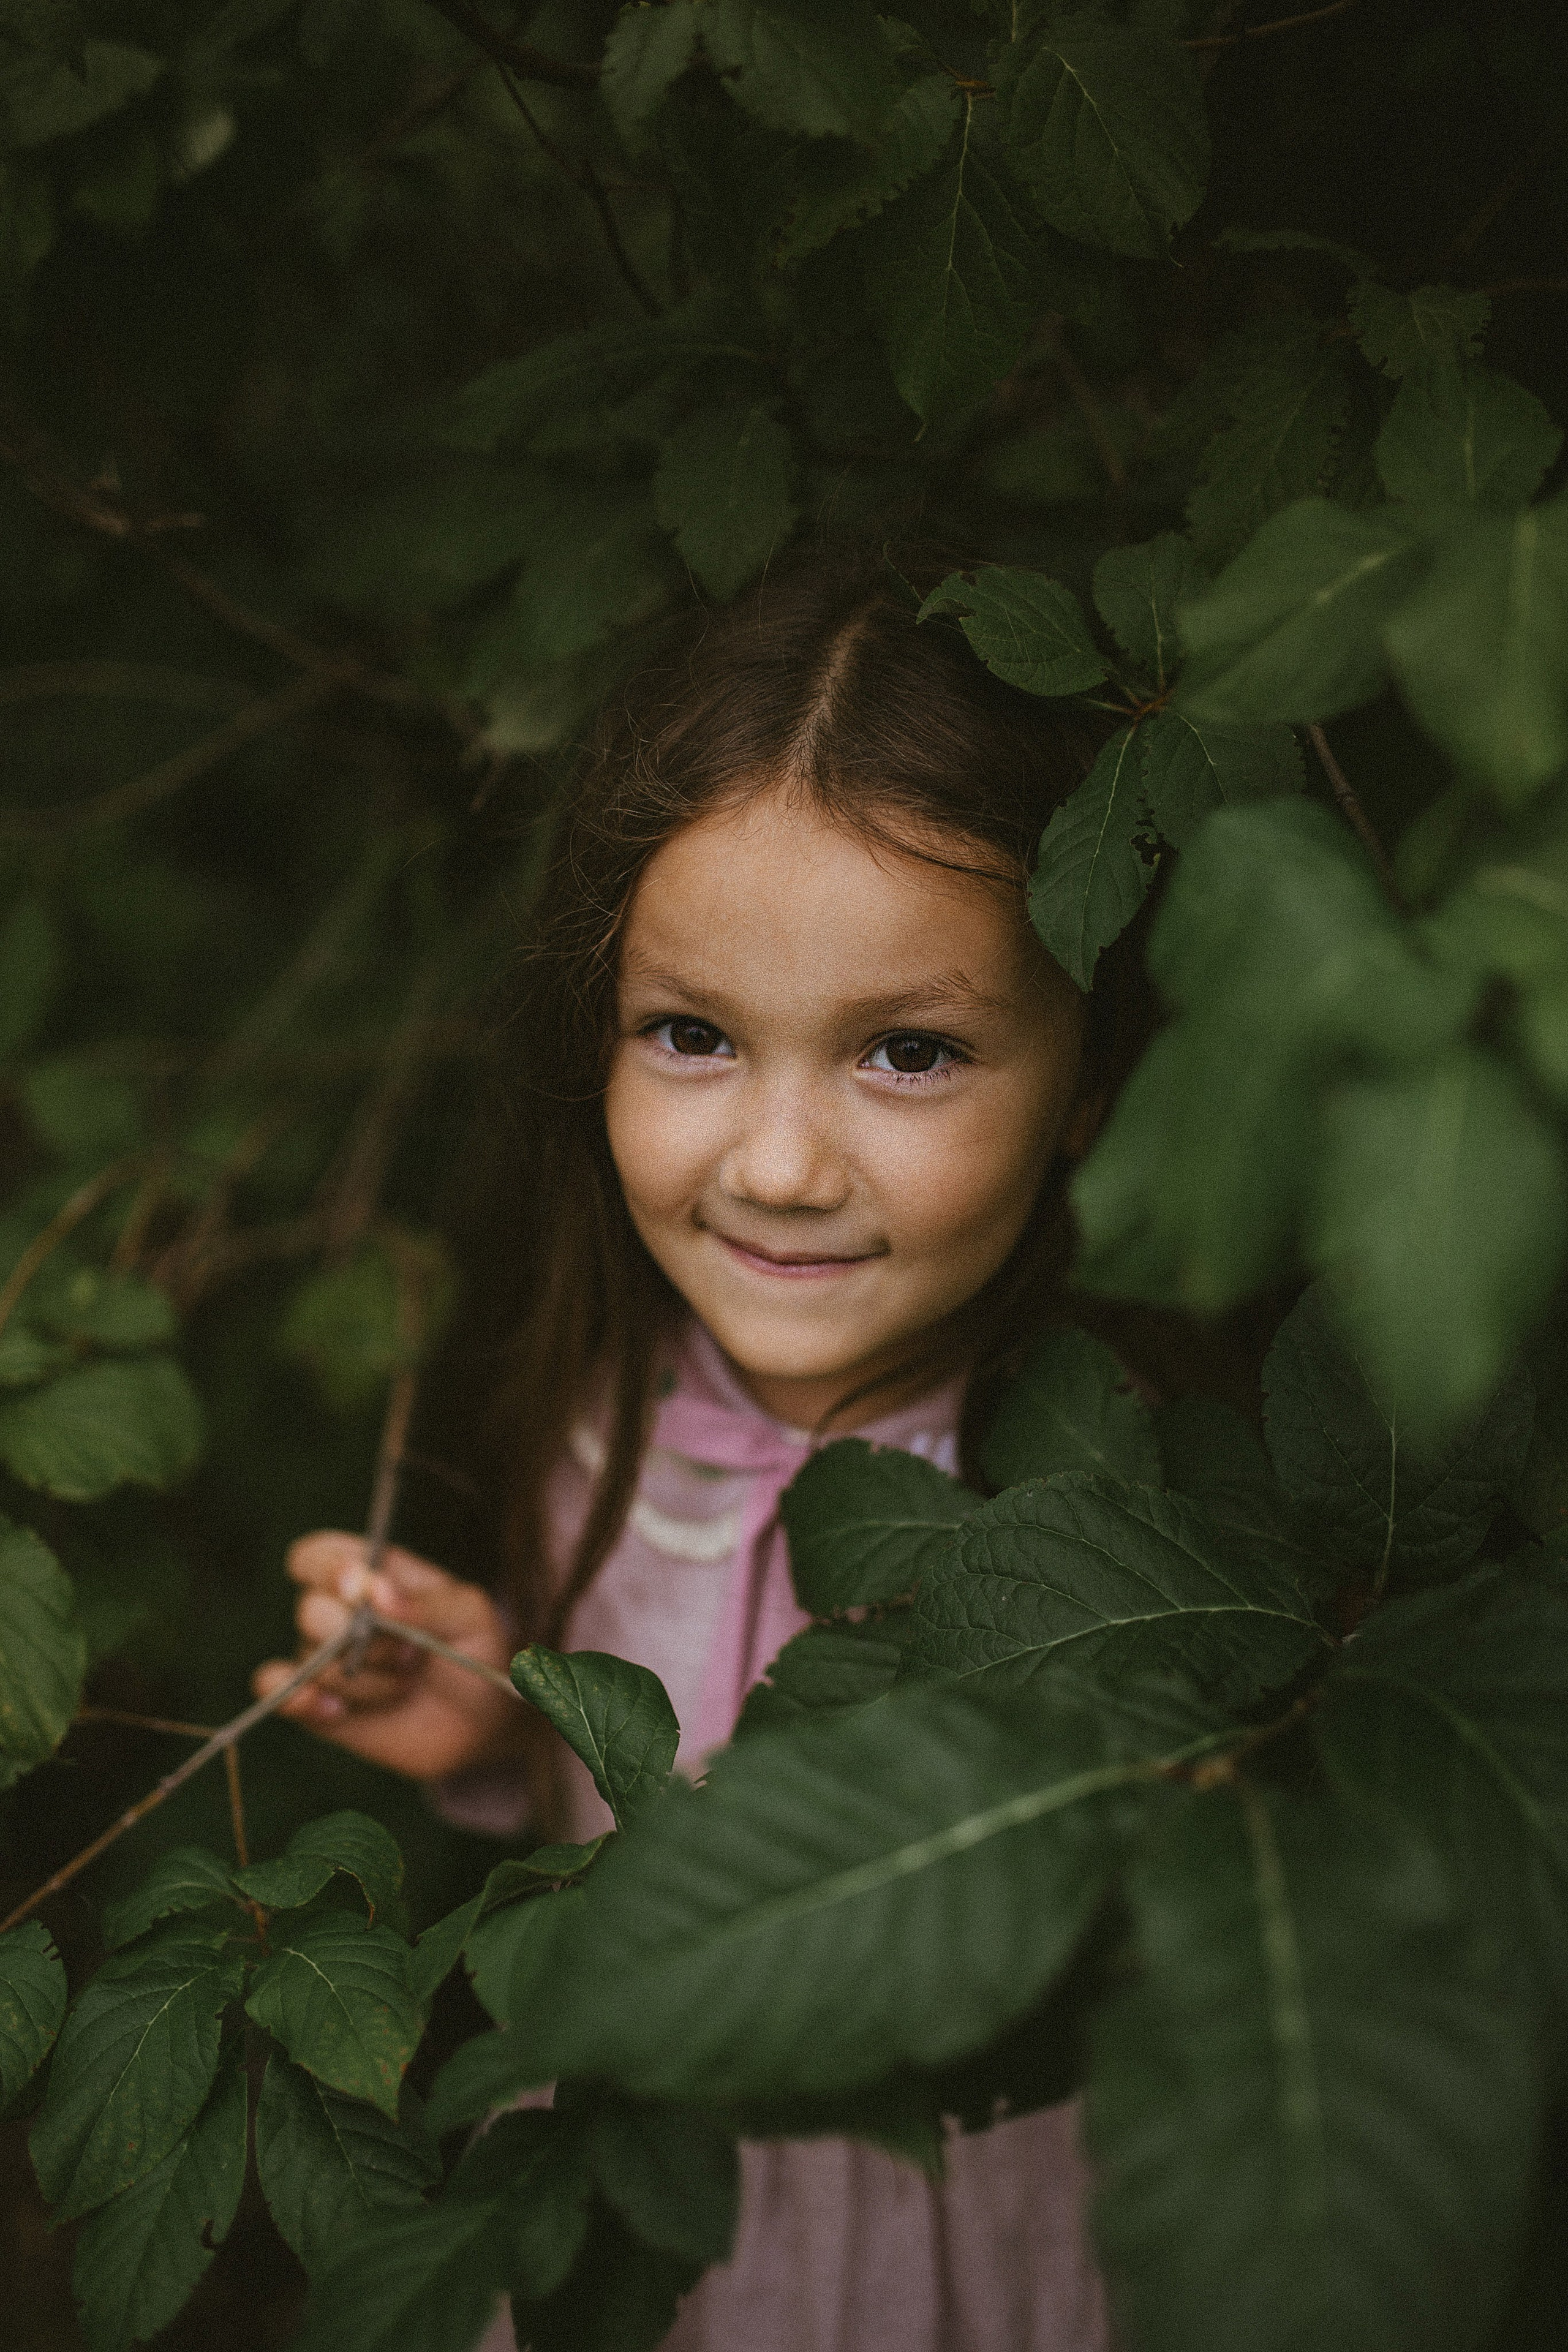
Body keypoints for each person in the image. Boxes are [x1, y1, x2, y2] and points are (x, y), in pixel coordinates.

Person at [254, 551, 1144, 2352]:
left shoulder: (1108, 1500)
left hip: (965, 2226)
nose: (780, 1164)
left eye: (908, 1051)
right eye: (691, 1036)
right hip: (639, 2213)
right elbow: (630, 1775)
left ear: (1093, 1084)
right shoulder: (600, 1402)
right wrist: (499, 1724)